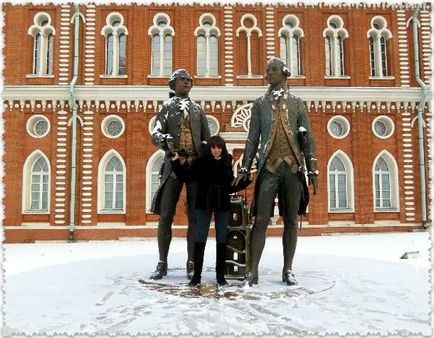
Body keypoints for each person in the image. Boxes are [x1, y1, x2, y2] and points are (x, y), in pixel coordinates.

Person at [235, 57, 318, 286]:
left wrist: (312, 169)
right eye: (266, 70)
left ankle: (288, 269)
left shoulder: (297, 103)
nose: (268, 74)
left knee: (291, 220)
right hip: (269, 168)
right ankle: (253, 270)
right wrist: (245, 166)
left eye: (273, 70)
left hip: (292, 169)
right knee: (260, 220)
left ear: (284, 73)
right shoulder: (260, 103)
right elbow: (253, 138)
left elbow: (308, 138)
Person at [150, 69, 211, 280]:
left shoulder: (197, 110)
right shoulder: (166, 108)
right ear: (173, 84)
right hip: (174, 167)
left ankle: (192, 261)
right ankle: (162, 262)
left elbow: (206, 138)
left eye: (189, 80)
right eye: (182, 80)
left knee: (194, 216)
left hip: (194, 168)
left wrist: (206, 151)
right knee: (166, 215)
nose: (186, 82)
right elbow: (155, 133)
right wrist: (163, 140)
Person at [171, 135, 251, 286]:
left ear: (222, 148)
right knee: (200, 238)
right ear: (209, 148)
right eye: (213, 147)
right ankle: (197, 276)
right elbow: (187, 177)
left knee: (222, 239)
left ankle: (220, 277)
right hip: (204, 204)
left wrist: (246, 181)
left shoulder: (227, 161)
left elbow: (230, 186)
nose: (216, 150)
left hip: (222, 205)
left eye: (219, 147)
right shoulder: (201, 162)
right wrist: (175, 162)